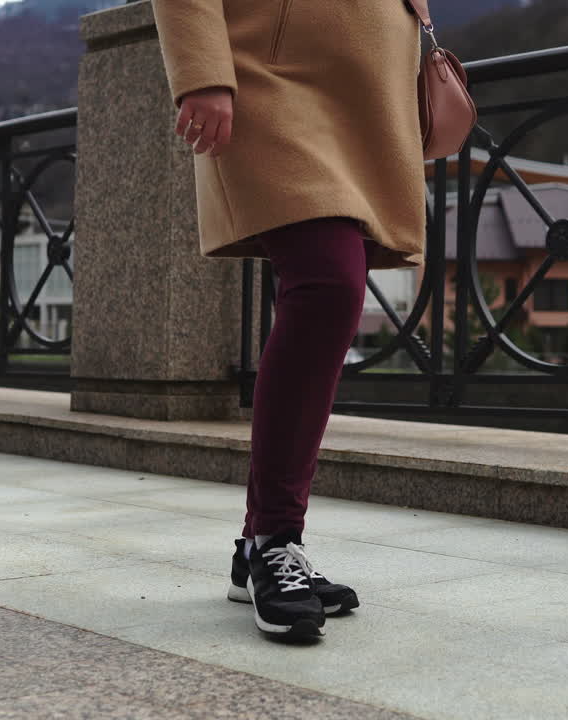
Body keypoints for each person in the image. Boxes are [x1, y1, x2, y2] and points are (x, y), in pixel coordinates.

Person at [150, 0, 428, 639]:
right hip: (266, 74)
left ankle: (259, 547)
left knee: (332, 284)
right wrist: (201, 70)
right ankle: (277, 537)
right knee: (329, 285)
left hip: (367, 94)